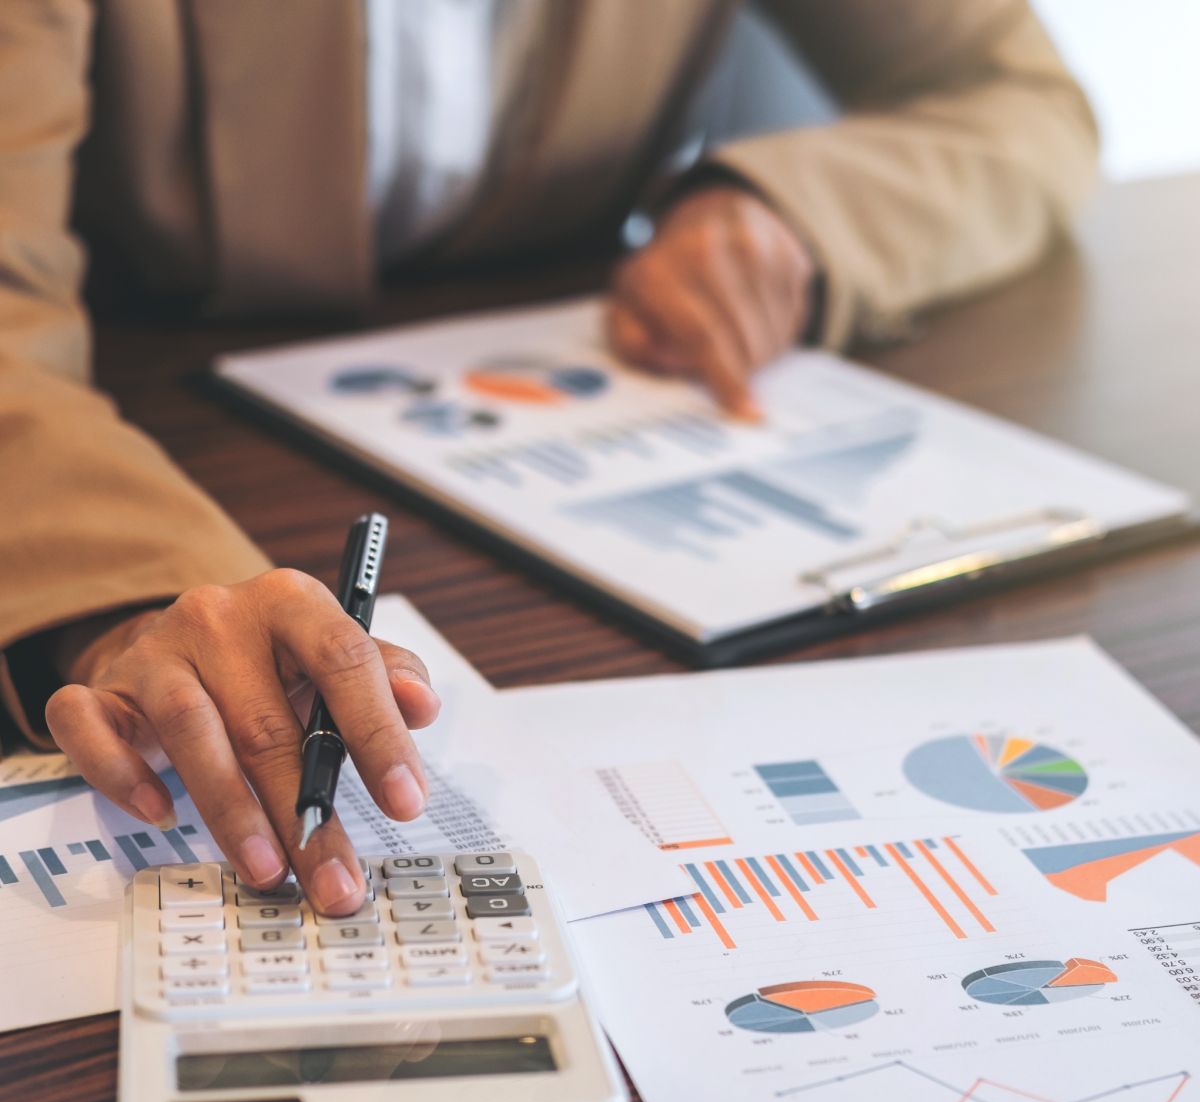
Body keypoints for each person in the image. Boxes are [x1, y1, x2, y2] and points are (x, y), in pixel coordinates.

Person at [0, 0, 1097, 913]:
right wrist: (130, 601)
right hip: (142, 411)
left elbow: (1018, 100)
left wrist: (785, 211)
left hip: (567, 405)